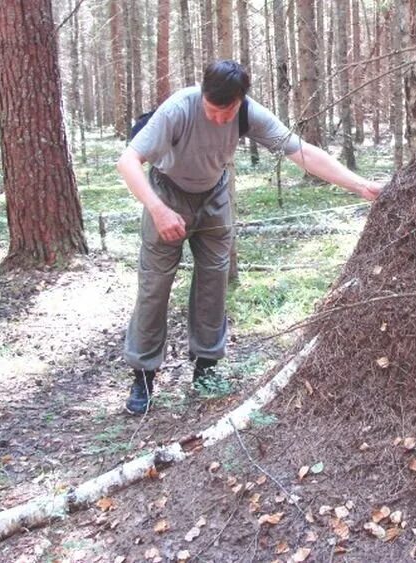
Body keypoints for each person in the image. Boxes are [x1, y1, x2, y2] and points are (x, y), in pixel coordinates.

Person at [116, 60, 382, 415]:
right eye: (213, 110)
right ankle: (143, 376)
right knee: (155, 284)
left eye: (228, 112)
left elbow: (301, 152)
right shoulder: (180, 108)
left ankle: (206, 370)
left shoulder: (249, 113)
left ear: (241, 100)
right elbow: (128, 161)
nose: (220, 120)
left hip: (214, 194)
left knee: (214, 279)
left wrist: (360, 185)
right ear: (203, 95)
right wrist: (158, 209)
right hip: (166, 193)